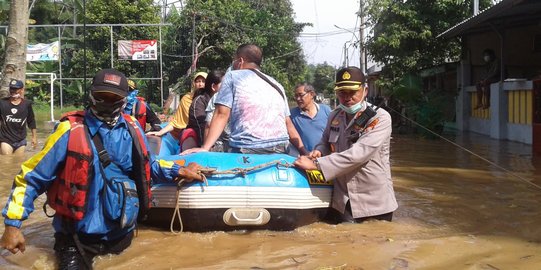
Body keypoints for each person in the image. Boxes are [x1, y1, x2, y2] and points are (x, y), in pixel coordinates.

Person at [0, 69, 204, 270]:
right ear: (91, 95)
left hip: (122, 234)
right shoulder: (68, 130)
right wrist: (12, 224)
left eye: (113, 98)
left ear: (124, 100)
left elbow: (147, 166)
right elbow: (31, 177)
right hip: (78, 239)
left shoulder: (132, 128)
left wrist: (178, 170)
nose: (106, 103)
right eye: (101, 97)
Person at [294, 66, 398, 224]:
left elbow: (359, 154)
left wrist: (317, 164)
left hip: (373, 202)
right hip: (342, 199)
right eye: (342, 92)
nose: (347, 97)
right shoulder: (335, 115)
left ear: (365, 90)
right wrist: (319, 151)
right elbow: (325, 141)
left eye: (352, 92)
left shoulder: (379, 118)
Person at [182, 44, 306, 155]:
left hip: (247, 148)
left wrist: (205, 147)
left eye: (234, 61)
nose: (233, 64)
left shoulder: (232, 77)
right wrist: (304, 152)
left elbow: (221, 114)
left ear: (240, 61)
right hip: (281, 147)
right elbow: (288, 123)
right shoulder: (277, 85)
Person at [147, 72, 207, 144]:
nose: (200, 84)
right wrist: (160, 132)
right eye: (198, 81)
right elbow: (176, 122)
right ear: (194, 84)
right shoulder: (186, 99)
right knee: (189, 134)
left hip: (207, 132)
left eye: (203, 81)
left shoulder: (211, 99)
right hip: (190, 133)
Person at [186, 70, 225, 148]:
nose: (228, 87)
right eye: (225, 84)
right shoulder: (199, 102)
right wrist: (206, 147)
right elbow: (201, 127)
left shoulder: (227, 101)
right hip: (202, 141)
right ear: (213, 87)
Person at [289, 83, 331, 154]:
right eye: (296, 96)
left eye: (301, 95)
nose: (298, 99)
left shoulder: (326, 110)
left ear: (312, 94)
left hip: (325, 156)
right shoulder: (292, 115)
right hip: (305, 157)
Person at [0, 79, 37, 155]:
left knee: (18, 161)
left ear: (22, 90)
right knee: (6, 160)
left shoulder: (27, 104)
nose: (13, 91)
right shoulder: (2, 103)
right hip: (6, 139)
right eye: (11, 88)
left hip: (21, 140)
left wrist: (34, 137)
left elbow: (31, 121)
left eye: (16, 89)